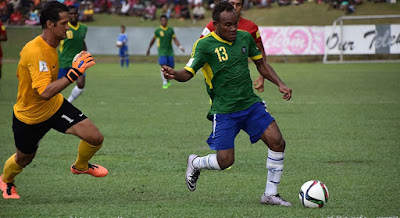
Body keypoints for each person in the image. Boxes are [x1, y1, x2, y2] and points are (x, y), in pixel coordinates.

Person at [162, 1, 293, 206]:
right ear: (215, 25)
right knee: (225, 161)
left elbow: (261, 64)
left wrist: (280, 83)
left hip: (250, 105)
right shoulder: (204, 45)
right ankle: (195, 163)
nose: (233, 29)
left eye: (235, 24)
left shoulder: (245, 37)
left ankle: (270, 194)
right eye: (228, 25)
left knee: (277, 141)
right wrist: (175, 74)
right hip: (224, 110)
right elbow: (187, 73)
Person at [0, 1, 108, 200]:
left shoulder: (53, 44)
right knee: (23, 159)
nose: (68, 27)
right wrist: (74, 73)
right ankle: (6, 181)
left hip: (54, 107)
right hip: (30, 116)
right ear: (50, 24)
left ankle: (81, 166)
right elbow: (44, 92)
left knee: (95, 138)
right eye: (64, 23)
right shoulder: (36, 51)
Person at [200, 0, 278, 94]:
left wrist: (262, 77)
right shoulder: (213, 26)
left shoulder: (251, 27)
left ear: (242, 6)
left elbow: (260, 51)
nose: (235, 7)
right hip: (219, 83)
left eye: (238, 5)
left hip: (241, 81)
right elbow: (200, 48)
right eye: (232, 4)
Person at [57, 6, 88, 103]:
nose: (73, 15)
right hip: (63, 61)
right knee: (55, 88)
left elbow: (82, 42)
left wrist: (85, 55)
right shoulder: (63, 28)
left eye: (75, 13)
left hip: (77, 62)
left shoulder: (83, 28)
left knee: (81, 83)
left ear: (78, 14)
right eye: (71, 13)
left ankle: (68, 102)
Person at [146, 15, 185, 89]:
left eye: (165, 20)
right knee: (163, 66)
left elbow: (175, 39)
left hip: (169, 52)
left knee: (170, 68)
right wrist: (149, 48)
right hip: (162, 52)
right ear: (160, 21)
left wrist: (180, 47)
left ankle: (167, 79)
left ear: (167, 21)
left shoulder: (170, 30)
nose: (163, 22)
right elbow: (153, 40)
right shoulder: (158, 30)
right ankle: (164, 82)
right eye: (162, 20)